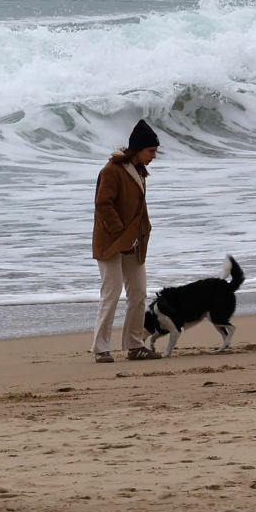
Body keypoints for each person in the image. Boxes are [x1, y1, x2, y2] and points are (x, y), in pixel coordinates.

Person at [91, 119, 158, 363]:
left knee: (139, 292)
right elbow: (102, 205)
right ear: (138, 148)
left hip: (135, 242)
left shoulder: (139, 170)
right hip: (111, 242)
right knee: (112, 292)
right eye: (151, 151)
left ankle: (134, 345)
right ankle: (100, 349)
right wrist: (121, 233)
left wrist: (142, 231)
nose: (154, 156)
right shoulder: (111, 170)